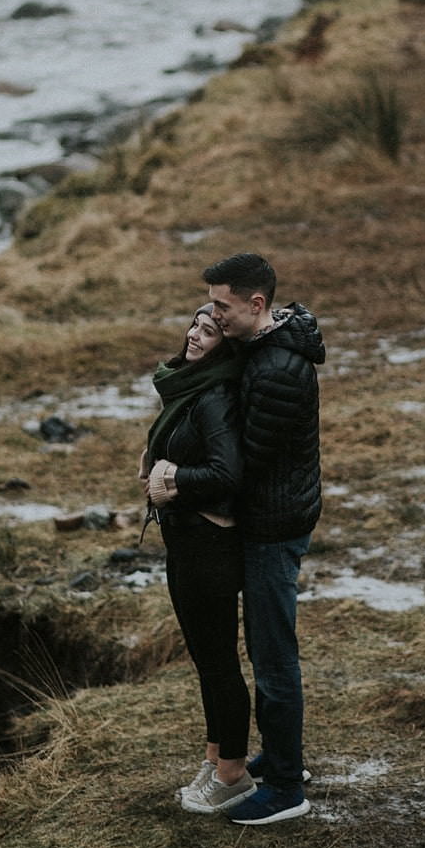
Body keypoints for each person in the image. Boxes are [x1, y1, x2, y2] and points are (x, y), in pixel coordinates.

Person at [202, 252, 325, 825]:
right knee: (267, 650)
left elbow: (246, 461)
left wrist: (187, 482)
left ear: (256, 304)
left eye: (222, 306)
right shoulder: (262, 348)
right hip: (273, 518)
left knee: (273, 659)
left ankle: (285, 789)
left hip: (273, 528)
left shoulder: (277, 370)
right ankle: (281, 757)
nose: (213, 315)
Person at [140, 303, 256, 816]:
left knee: (219, 663)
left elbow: (227, 474)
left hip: (208, 546)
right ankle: (215, 761)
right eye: (194, 325)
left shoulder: (214, 396)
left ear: (223, 347)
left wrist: (171, 480)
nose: (194, 335)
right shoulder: (190, 388)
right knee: (207, 661)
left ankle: (233, 775)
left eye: (208, 332)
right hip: (186, 543)